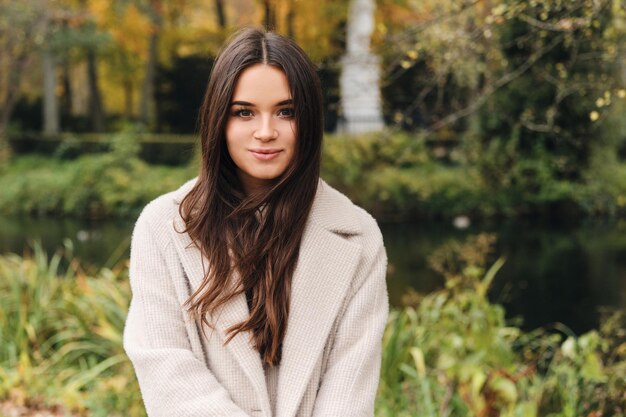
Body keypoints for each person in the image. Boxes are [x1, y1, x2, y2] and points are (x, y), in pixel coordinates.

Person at [123, 27, 388, 417]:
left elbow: (348, 387)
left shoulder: (358, 236)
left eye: (286, 112)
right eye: (244, 112)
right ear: (219, 119)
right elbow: (166, 367)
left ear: (310, 120)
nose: (266, 132)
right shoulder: (162, 225)